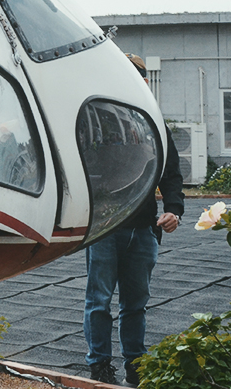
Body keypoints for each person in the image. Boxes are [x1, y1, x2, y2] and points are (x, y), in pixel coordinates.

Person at [83, 53, 184, 387]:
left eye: (138, 76)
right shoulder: (93, 120)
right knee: (99, 302)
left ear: (143, 81)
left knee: (135, 304)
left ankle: (135, 366)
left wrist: (175, 210)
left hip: (143, 229)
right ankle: (99, 366)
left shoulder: (153, 122)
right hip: (104, 228)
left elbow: (170, 172)